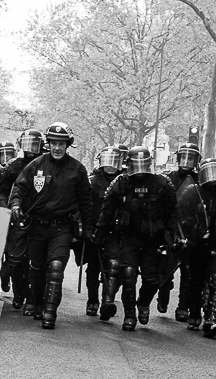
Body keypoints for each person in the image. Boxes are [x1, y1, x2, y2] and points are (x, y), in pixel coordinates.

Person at [10, 122, 93, 329]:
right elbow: (19, 187)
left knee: (56, 268)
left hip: (62, 228)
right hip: (37, 226)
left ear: (68, 145)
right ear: (48, 144)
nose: (57, 148)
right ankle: (37, 303)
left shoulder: (78, 170)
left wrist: (88, 230)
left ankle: (50, 311)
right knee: (36, 269)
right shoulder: (36, 165)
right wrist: (16, 204)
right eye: (54, 143)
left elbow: (86, 202)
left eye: (61, 144)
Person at [95, 147, 175, 330]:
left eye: (143, 165)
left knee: (152, 279)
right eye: (135, 165)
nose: (140, 170)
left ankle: (143, 303)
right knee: (128, 274)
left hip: (153, 239)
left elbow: (172, 214)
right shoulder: (120, 183)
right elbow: (106, 212)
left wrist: (176, 237)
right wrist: (98, 234)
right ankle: (129, 315)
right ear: (128, 165)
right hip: (129, 237)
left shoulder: (162, 184)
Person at [177, 157, 216, 337]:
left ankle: (211, 319)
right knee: (195, 282)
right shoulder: (192, 192)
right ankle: (195, 314)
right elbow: (181, 216)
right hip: (197, 246)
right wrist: (187, 235)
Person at [0, 128, 42, 309]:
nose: (30, 149)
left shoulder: (46, 164)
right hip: (17, 218)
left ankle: (32, 298)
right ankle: (19, 291)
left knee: (35, 261)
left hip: (39, 219)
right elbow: (2, 191)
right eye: (27, 144)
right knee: (15, 260)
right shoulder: (13, 166)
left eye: (34, 145)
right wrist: (5, 209)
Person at [163, 140, 201, 320]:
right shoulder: (168, 177)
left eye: (190, 158)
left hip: (190, 231)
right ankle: (163, 295)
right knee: (166, 266)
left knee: (188, 271)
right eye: (183, 157)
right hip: (171, 230)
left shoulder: (200, 179)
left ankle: (183, 307)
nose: (186, 161)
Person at [84, 146, 124, 316]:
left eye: (114, 162)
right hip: (95, 232)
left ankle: (108, 302)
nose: (110, 166)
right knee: (93, 268)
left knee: (114, 266)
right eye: (107, 161)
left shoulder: (124, 182)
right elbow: (85, 206)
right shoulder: (91, 182)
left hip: (114, 233)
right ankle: (92, 299)